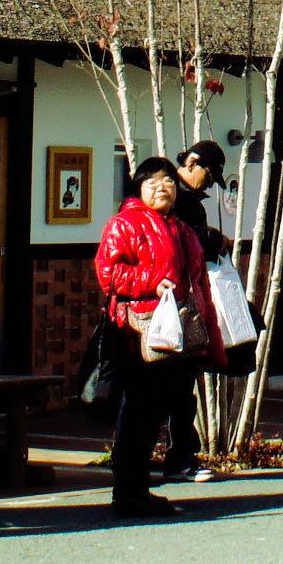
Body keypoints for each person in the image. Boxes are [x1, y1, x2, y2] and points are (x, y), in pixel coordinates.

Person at [94, 158, 222, 518]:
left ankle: (138, 490)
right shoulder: (125, 224)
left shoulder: (178, 227)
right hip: (136, 332)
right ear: (139, 189)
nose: (161, 188)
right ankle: (129, 493)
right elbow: (110, 275)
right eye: (152, 183)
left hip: (175, 332)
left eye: (167, 181)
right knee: (138, 411)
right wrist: (151, 281)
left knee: (155, 412)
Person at [158, 142, 233, 483]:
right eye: (207, 173)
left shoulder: (176, 197)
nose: (208, 182)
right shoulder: (175, 200)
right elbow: (185, 245)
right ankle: (179, 458)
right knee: (176, 385)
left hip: (180, 303)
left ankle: (164, 457)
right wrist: (213, 241)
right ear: (191, 162)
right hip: (172, 304)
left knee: (172, 386)